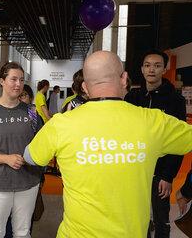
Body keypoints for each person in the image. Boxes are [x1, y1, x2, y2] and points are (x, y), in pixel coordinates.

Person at [23, 51, 192, 238]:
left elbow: (30, 157)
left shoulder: (61, 124)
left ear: (85, 87)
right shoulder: (154, 122)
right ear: (124, 79)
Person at [0, 62, 42, 238]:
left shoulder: (32, 112)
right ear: (2, 81)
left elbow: (41, 146)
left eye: (21, 80)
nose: (18, 84)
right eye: (13, 79)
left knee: (23, 231)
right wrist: (6, 159)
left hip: (28, 182)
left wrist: (34, 159)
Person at [125, 49, 186, 238]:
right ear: (142, 69)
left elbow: (179, 140)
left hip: (161, 172)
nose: (152, 69)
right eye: (147, 65)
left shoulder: (176, 100)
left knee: (161, 219)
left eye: (157, 65)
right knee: (137, 217)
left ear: (165, 69)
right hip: (136, 169)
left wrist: (168, 176)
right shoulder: (132, 98)